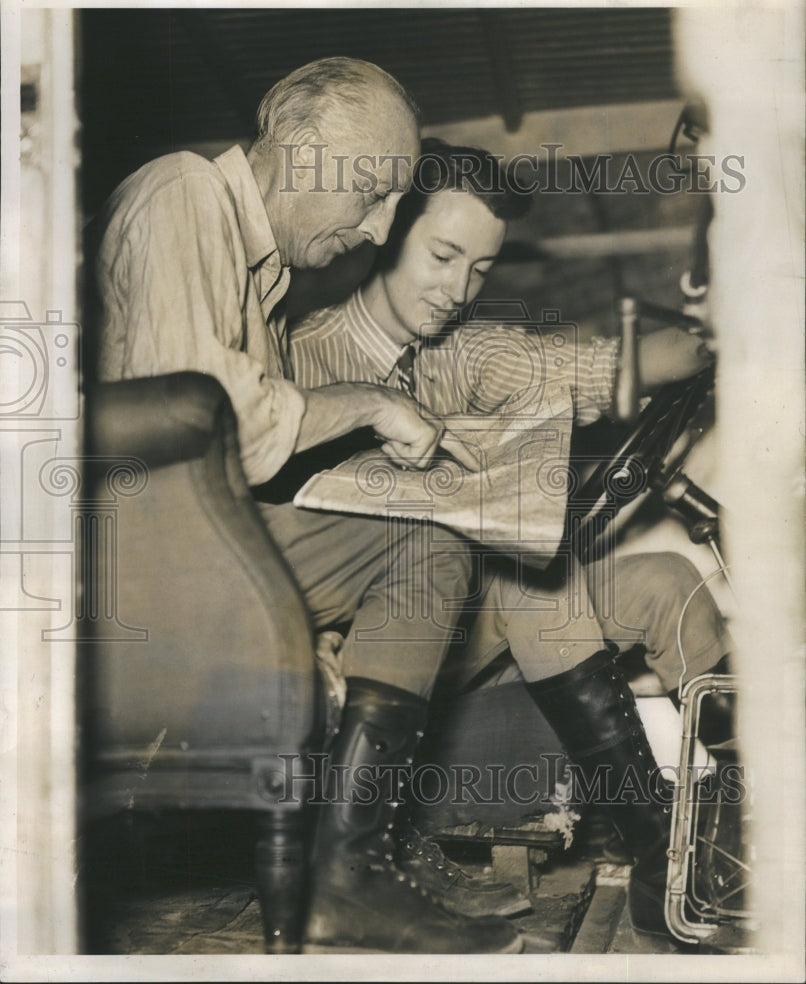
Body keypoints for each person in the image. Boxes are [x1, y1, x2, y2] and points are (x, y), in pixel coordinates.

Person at [92, 59, 524, 955]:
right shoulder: (181, 194)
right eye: (370, 196)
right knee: (427, 546)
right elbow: (207, 420)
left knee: (430, 543)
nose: (374, 233)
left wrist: (312, 627)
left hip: (184, 550)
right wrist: (370, 402)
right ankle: (349, 874)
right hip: (125, 565)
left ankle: (354, 867)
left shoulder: (266, 288)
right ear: (297, 148)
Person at [285, 137, 736, 939]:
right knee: (532, 581)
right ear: (385, 228)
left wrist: (728, 334)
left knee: (666, 578)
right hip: (370, 651)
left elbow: (607, 368)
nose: (459, 288)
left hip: (467, 618)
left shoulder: (469, 349)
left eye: (481, 269)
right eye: (444, 255)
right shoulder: (300, 357)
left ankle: (735, 822)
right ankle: (653, 844)